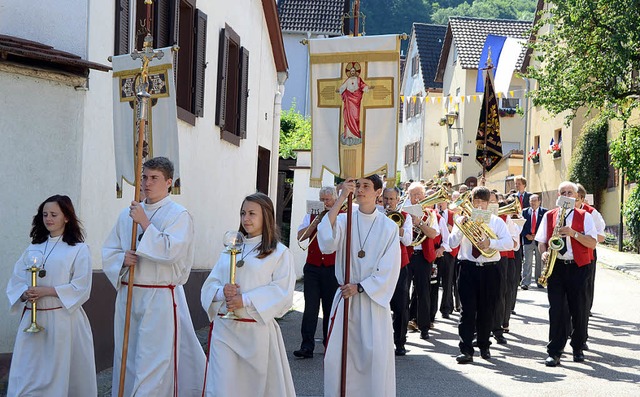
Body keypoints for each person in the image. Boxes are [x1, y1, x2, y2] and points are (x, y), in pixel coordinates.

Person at [102, 157, 205, 396]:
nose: (147, 183)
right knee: (127, 358)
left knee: (152, 361)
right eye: (145, 177)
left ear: (169, 182)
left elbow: (171, 252)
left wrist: (145, 223)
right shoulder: (125, 215)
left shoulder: (178, 215)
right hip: (129, 293)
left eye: (154, 178)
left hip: (158, 296)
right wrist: (122, 260)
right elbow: (110, 250)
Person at [201, 192, 296, 396]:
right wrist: (221, 293)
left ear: (266, 216)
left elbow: (282, 292)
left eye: (252, 213)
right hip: (224, 329)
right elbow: (210, 285)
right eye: (243, 213)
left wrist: (243, 300)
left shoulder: (279, 253)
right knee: (220, 389)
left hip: (255, 333)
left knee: (251, 389)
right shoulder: (230, 249)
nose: (246, 218)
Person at [317, 175, 400, 396]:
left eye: (366, 186)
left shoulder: (389, 227)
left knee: (373, 359)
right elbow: (326, 242)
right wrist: (342, 196)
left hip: (372, 302)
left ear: (378, 192)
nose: (361, 190)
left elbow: (389, 267)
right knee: (340, 359)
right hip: (346, 299)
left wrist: (361, 286)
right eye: (358, 186)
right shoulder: (344, 220)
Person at [6, 195, 97, 396]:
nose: (48, 218)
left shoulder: (79, 249)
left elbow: (81, 286)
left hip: (63, 320)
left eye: (54, 214)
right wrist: (24, 293)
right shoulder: (33, 247)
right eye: (45, 214)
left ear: (66, 217)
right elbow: (17, 278)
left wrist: (47, 291)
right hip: (33, 318)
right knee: (28, 372)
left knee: (58, 373)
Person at [535, 181, 597, 367]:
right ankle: (554, 351)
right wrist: (544, 252)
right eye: (563, 192)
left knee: (579, 308)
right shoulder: (549, 216)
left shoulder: (585, 216)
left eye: (570, 192)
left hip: (578, 266)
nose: (567, 194)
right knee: (557, 309)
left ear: (576, 197)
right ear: (558, 197)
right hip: (557, 266)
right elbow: (541, 241)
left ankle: (577, 347)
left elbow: (592, 243)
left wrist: (573, 233)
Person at [448, 186, 513, 363]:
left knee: (487, 310)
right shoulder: (462, 220)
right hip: (468, 267)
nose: (478, 205)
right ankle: (466, 349)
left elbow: (509, 243)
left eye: (482, 202)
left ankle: (484, 346)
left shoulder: (496, 221)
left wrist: (490, 242)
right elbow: (451, 243)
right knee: (467, 311)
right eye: (475, 202)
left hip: (491, 268)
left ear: (487, 203)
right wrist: (461, 227)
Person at [293, 186, 340, 359]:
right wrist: (315, 223)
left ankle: (330, 345)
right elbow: (300, 236)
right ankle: (306, 346)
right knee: (310, 308)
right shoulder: (311, 215)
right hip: (312, 267)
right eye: (322, 199)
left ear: (335, 200)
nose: (324, 203)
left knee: (329, 308)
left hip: (332, 268)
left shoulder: (341, 216)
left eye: (327, 200)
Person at [406, 182, 440, 340]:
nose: (416, 197)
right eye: (413, 194)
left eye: (419, 194)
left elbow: (433, 234)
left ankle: (424, 326)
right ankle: (401, 325)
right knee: (402, 291)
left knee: (423, 292)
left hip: (422, 256)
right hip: (406, 255)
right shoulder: (403, 211)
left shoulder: (430, 214)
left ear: (425, 196)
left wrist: (419, 222)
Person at [383, 186, 413, 356]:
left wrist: (396, 225)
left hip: (400, 265)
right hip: (380, 265)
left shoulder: (405, 217)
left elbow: (408, 240)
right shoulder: (377, 215)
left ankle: (400, 342)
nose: (388, 202)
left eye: (392, 199)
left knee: (401, 305)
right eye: (385, 199)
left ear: (397, 200)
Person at [337, 62, 369, 141]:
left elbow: (363, 85)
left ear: (356, 72)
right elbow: (343, 87)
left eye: (354, 71)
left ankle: (355, 134)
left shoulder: (358, 79)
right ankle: (348, 134)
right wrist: (339, 90)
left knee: (355, 117)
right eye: (351, 72)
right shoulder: (348, 80)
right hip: (348, 101)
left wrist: (366, 88)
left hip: (355, 102)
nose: (352, 73)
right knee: (348, 117)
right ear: (349, 73)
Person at [521, 194, 547, 289]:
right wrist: (526, 235)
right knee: (527, 261)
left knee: (539, 261)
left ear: (539, 201)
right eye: (531, 201)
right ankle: (525, 282)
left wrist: (538, 236)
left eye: (535, 200)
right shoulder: (524, 212)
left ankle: (539, 281)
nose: (533, 203)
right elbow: (520, 226)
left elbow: (545, 226)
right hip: (527, 240)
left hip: (539, 241)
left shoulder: (544, 212)